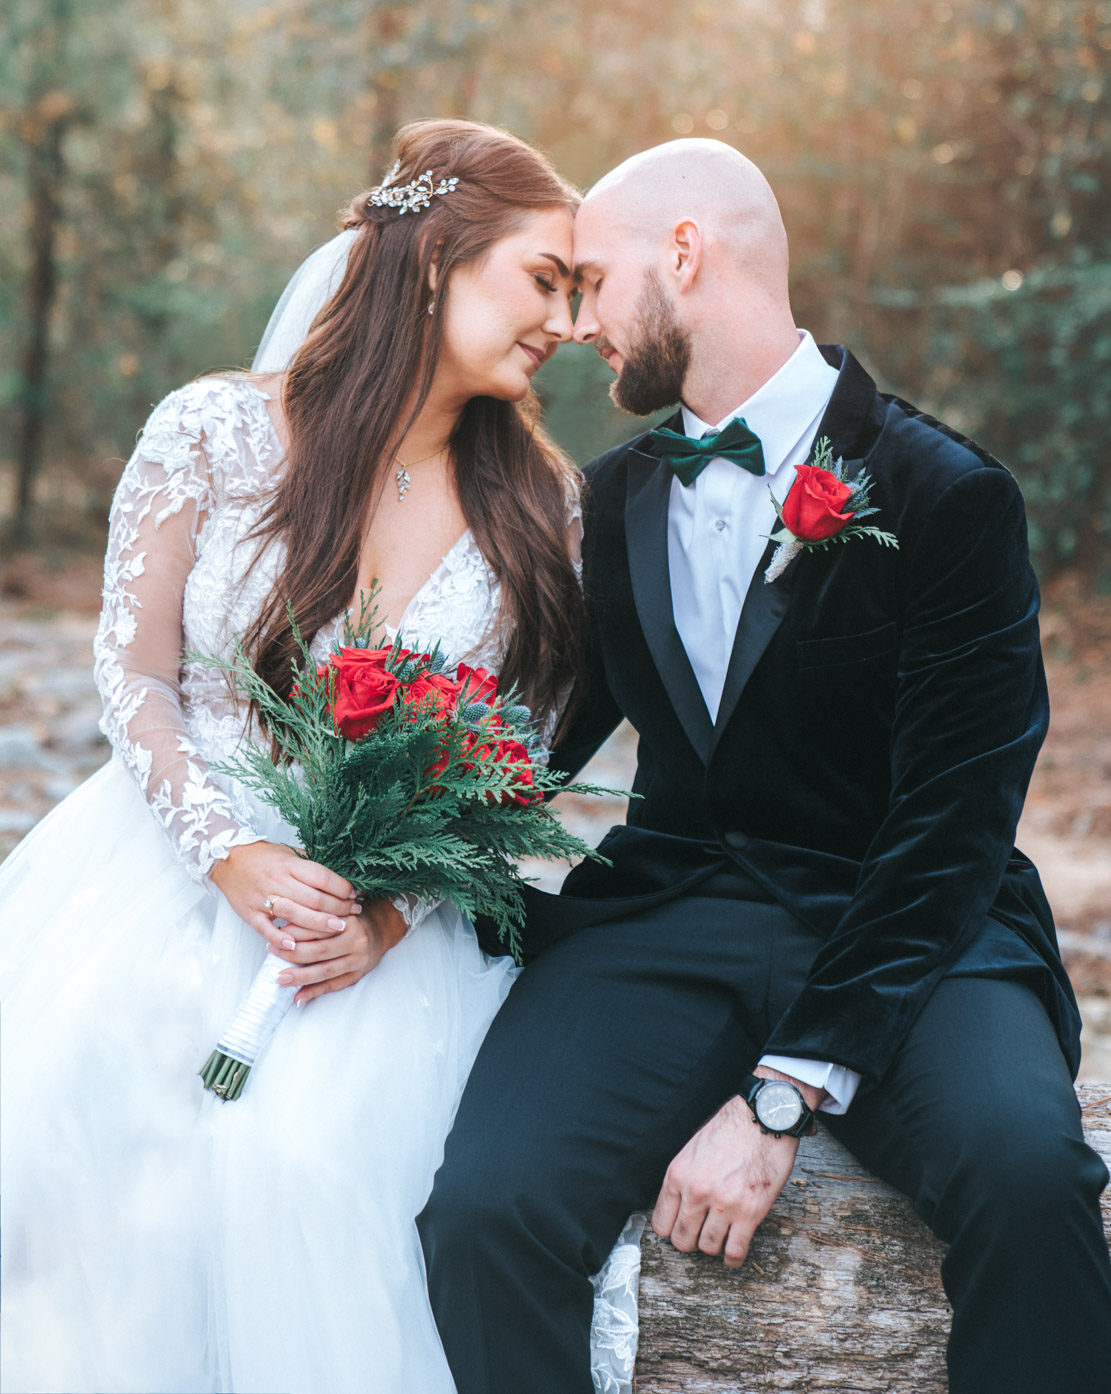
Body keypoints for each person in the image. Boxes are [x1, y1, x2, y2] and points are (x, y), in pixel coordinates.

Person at [419, 137, 1111, 1394]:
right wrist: (361, 831)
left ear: (685, 254)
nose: (575, 326)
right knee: (486, 1209)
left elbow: (955, 817)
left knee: (1030, 1179)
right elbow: (530, 744)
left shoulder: (948, 495)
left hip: (912, 927)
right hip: (672, 918)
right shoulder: (615, 498)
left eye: (593, 282)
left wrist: (780, 1097)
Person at [0, 120, 637, 1394]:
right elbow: (134, 676)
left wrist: (388, 918)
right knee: (76, 1137)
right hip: (167, 866)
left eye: (577, 294)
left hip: (384, 937)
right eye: (542, 279)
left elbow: (512, 756)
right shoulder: (212, 432)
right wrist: (231, 854)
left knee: (307, 1166)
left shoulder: (544, 508)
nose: (565, 322)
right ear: (433, 259)